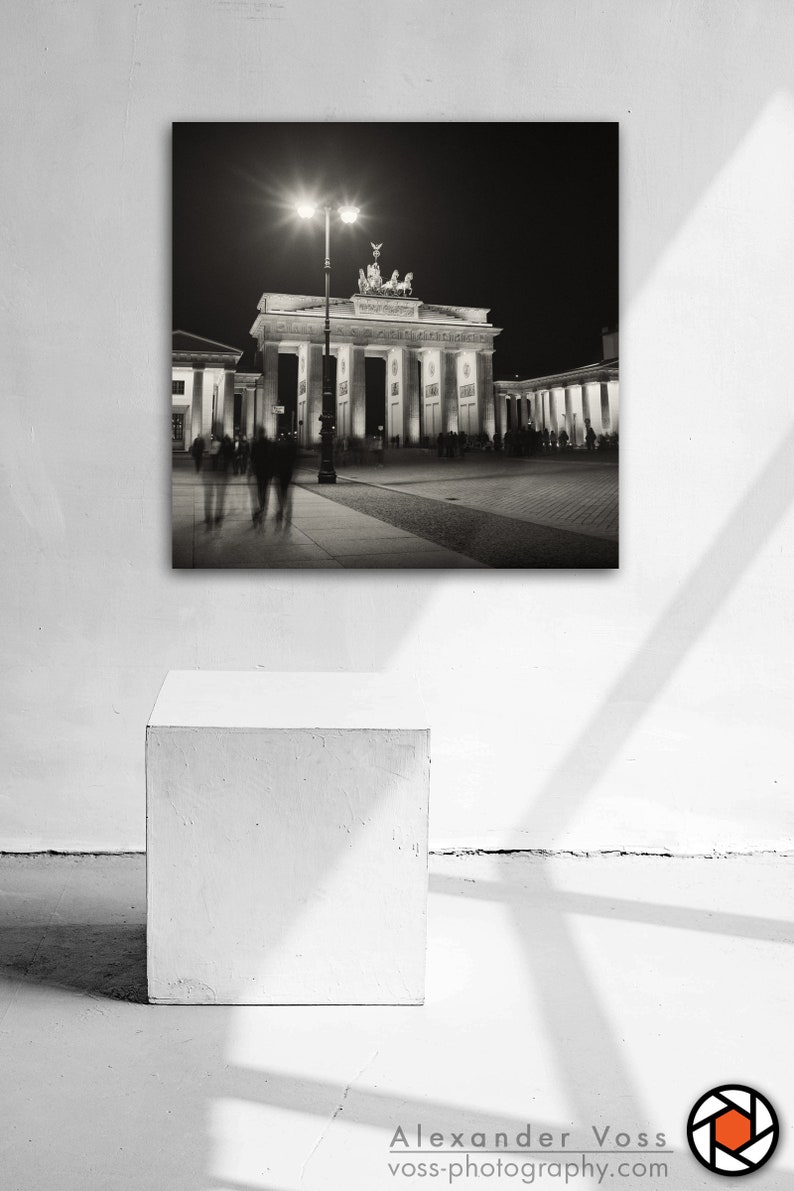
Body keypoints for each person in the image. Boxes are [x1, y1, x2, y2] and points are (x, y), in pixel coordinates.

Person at [249, 428, 274, 527]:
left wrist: (252, 470)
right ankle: (263, 508)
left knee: (260, 490)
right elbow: (273, 458)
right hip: (267, 472)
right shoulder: (269, 444)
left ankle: (260, 508)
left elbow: (252, 458)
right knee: (265, 491)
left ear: (259, 434)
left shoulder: (256, 444)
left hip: (259, 471)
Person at [275, 435, 298, 528]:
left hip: (281, 472)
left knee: (281, 491)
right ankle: (286, 508)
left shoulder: (279, 448)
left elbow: (275, 459)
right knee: (286, 490)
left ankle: (281, 507)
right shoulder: (292, 447)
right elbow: (294, 460)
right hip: (288, 472)